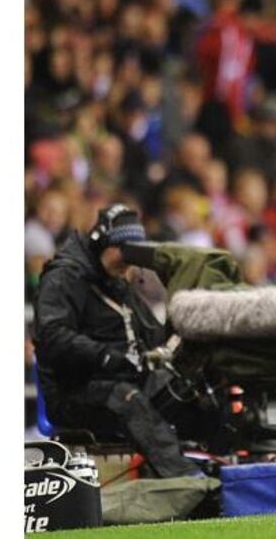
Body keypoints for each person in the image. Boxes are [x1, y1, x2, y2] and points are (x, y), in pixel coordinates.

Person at [32, 203, 207, 478]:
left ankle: (223, 465)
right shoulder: (65, 277)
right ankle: (187, 480)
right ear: (101, 243)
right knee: (126, 398)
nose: (127, 262)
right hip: (75, 391)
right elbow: (51, 337)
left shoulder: (117, 281)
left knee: (190, 390)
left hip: (125, 380)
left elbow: (152, 336)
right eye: (123, 251)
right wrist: (105, 355)